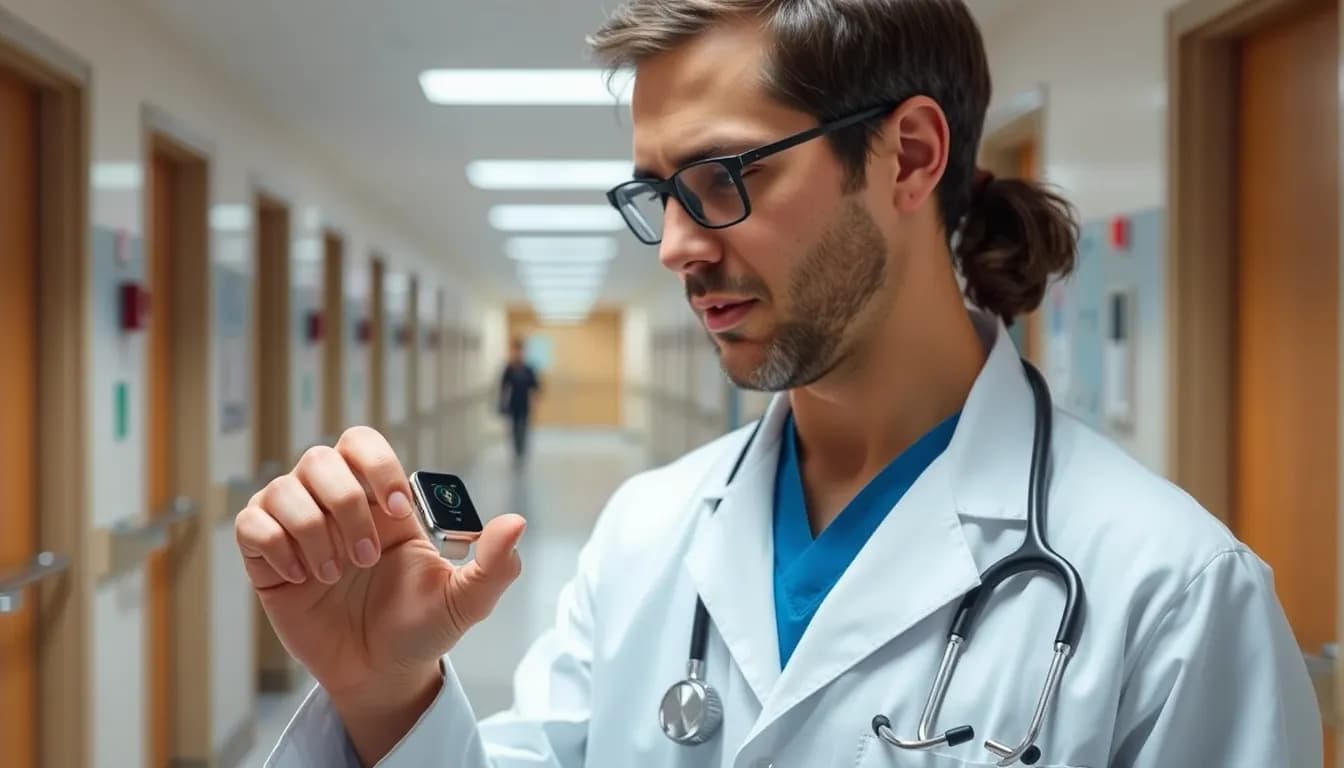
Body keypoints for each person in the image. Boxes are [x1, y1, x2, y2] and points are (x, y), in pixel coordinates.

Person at [237, 1, 1322, 766]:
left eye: (720, 179)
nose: (672, 248)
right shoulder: (647, 532)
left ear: (906, 154)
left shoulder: (1174, 600)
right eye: (656, 193)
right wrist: (383, 694)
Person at [498, 337, 540, 462]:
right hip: (513, 403)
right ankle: (516, 450)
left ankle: (521, 450)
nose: (518, 353)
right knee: (514, 428)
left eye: (520, 350)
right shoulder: (509, 368)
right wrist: (502, 402)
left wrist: (535, 404)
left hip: (524, 403)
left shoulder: (529, 369)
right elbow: (503, 387)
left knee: (523, 427)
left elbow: (535, 387)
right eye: (516, 350)